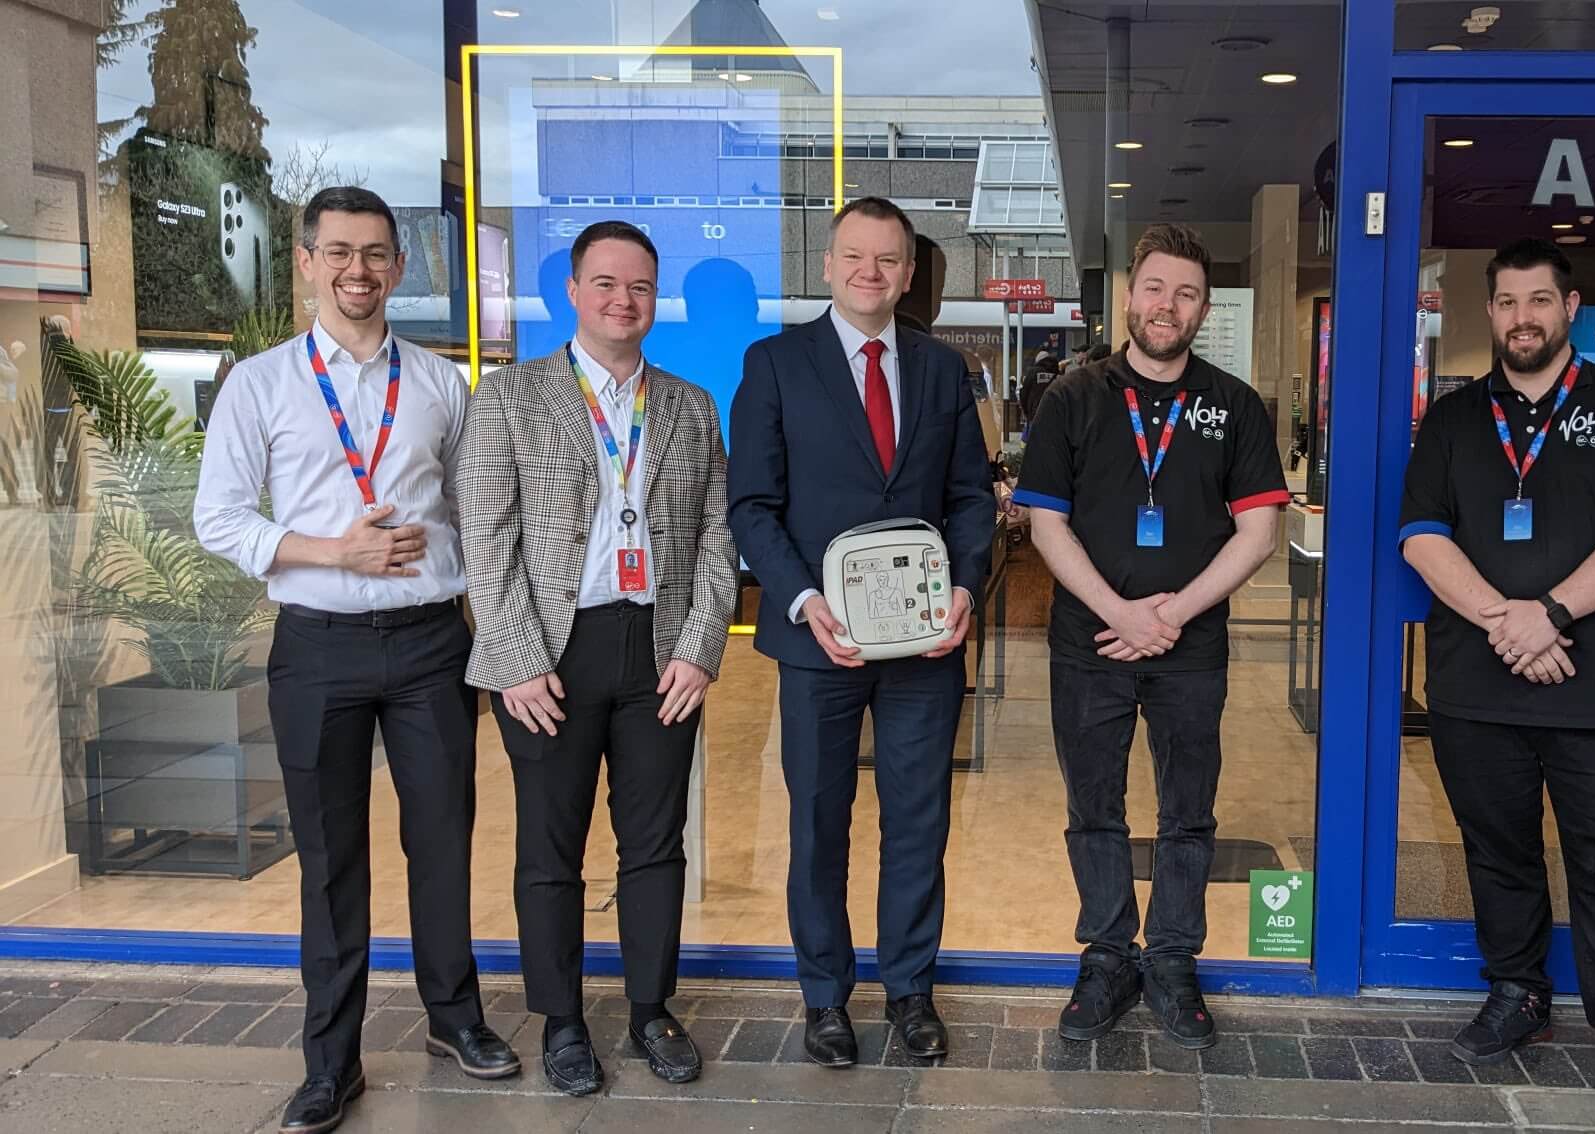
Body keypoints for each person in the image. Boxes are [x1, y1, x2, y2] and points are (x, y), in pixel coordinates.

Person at [194, 186, 517, 1134]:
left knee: (443, 841)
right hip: (318, 644)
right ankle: (329, 1063)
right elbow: (218, 517)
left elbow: (472, 508)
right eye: (338, 253)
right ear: (305, 262)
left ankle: (454, 1020)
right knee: (331, 861)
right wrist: (338, 552)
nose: (358, 271)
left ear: (399, 266)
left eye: (376, 254)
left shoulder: (439, 383)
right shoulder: (260, 384)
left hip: (428, 644)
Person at [1397, 237, 1595, 1124]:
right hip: (1476, 687)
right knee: (1498, 852)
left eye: (1539, 301)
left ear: (1570, 309)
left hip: (1592, 691)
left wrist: (1550, 614)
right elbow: (1420, 535)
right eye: (1507, 303)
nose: (1522, 317)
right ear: (1488, 314)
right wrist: (1506, 620)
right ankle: (1518, 991)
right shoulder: (1450, 420)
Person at [458, 221, 737, 1096]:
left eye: (642, 288)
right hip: (549, 653)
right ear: (572, 293)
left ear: (658, 300)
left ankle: (651, 1008)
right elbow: (485, 537)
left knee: (655, 844)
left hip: (657, 649)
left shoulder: (691, 405)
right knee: (550, 845)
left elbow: (718, 540)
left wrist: (700, 649)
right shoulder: (509, 397)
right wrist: (511, 658)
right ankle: (564, 1020)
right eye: (607, 284)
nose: (625, 301)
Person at [727, 196, 995, 1067]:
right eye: (855, 257)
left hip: (925, 645)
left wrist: (963, 587)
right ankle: (825, 997)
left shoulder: (945, 371)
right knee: (819, 822)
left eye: (888, 260)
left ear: (909, 274)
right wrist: (805, 601)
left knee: (917, 821)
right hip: (819, 643)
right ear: (829, 263)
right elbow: (753, 509)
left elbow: (966, 498)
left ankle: (910, 990)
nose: (870, 273)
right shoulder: (774, 364)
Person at [1012, 223, 1288, 1051]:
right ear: (1130, 295)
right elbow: (1045, 523)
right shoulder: (1073, 397)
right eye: (1158, 288)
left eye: (1189, 294)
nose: (1170, 306)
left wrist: (1170, 614)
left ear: (1205, 308)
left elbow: (1259, 532)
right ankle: (1106, 957)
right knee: (1092, 807)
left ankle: (1170, 960)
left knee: (1187, 811)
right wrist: (1121, 613)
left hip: (1190, 648)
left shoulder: (1234, 405)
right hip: (1088, 642)